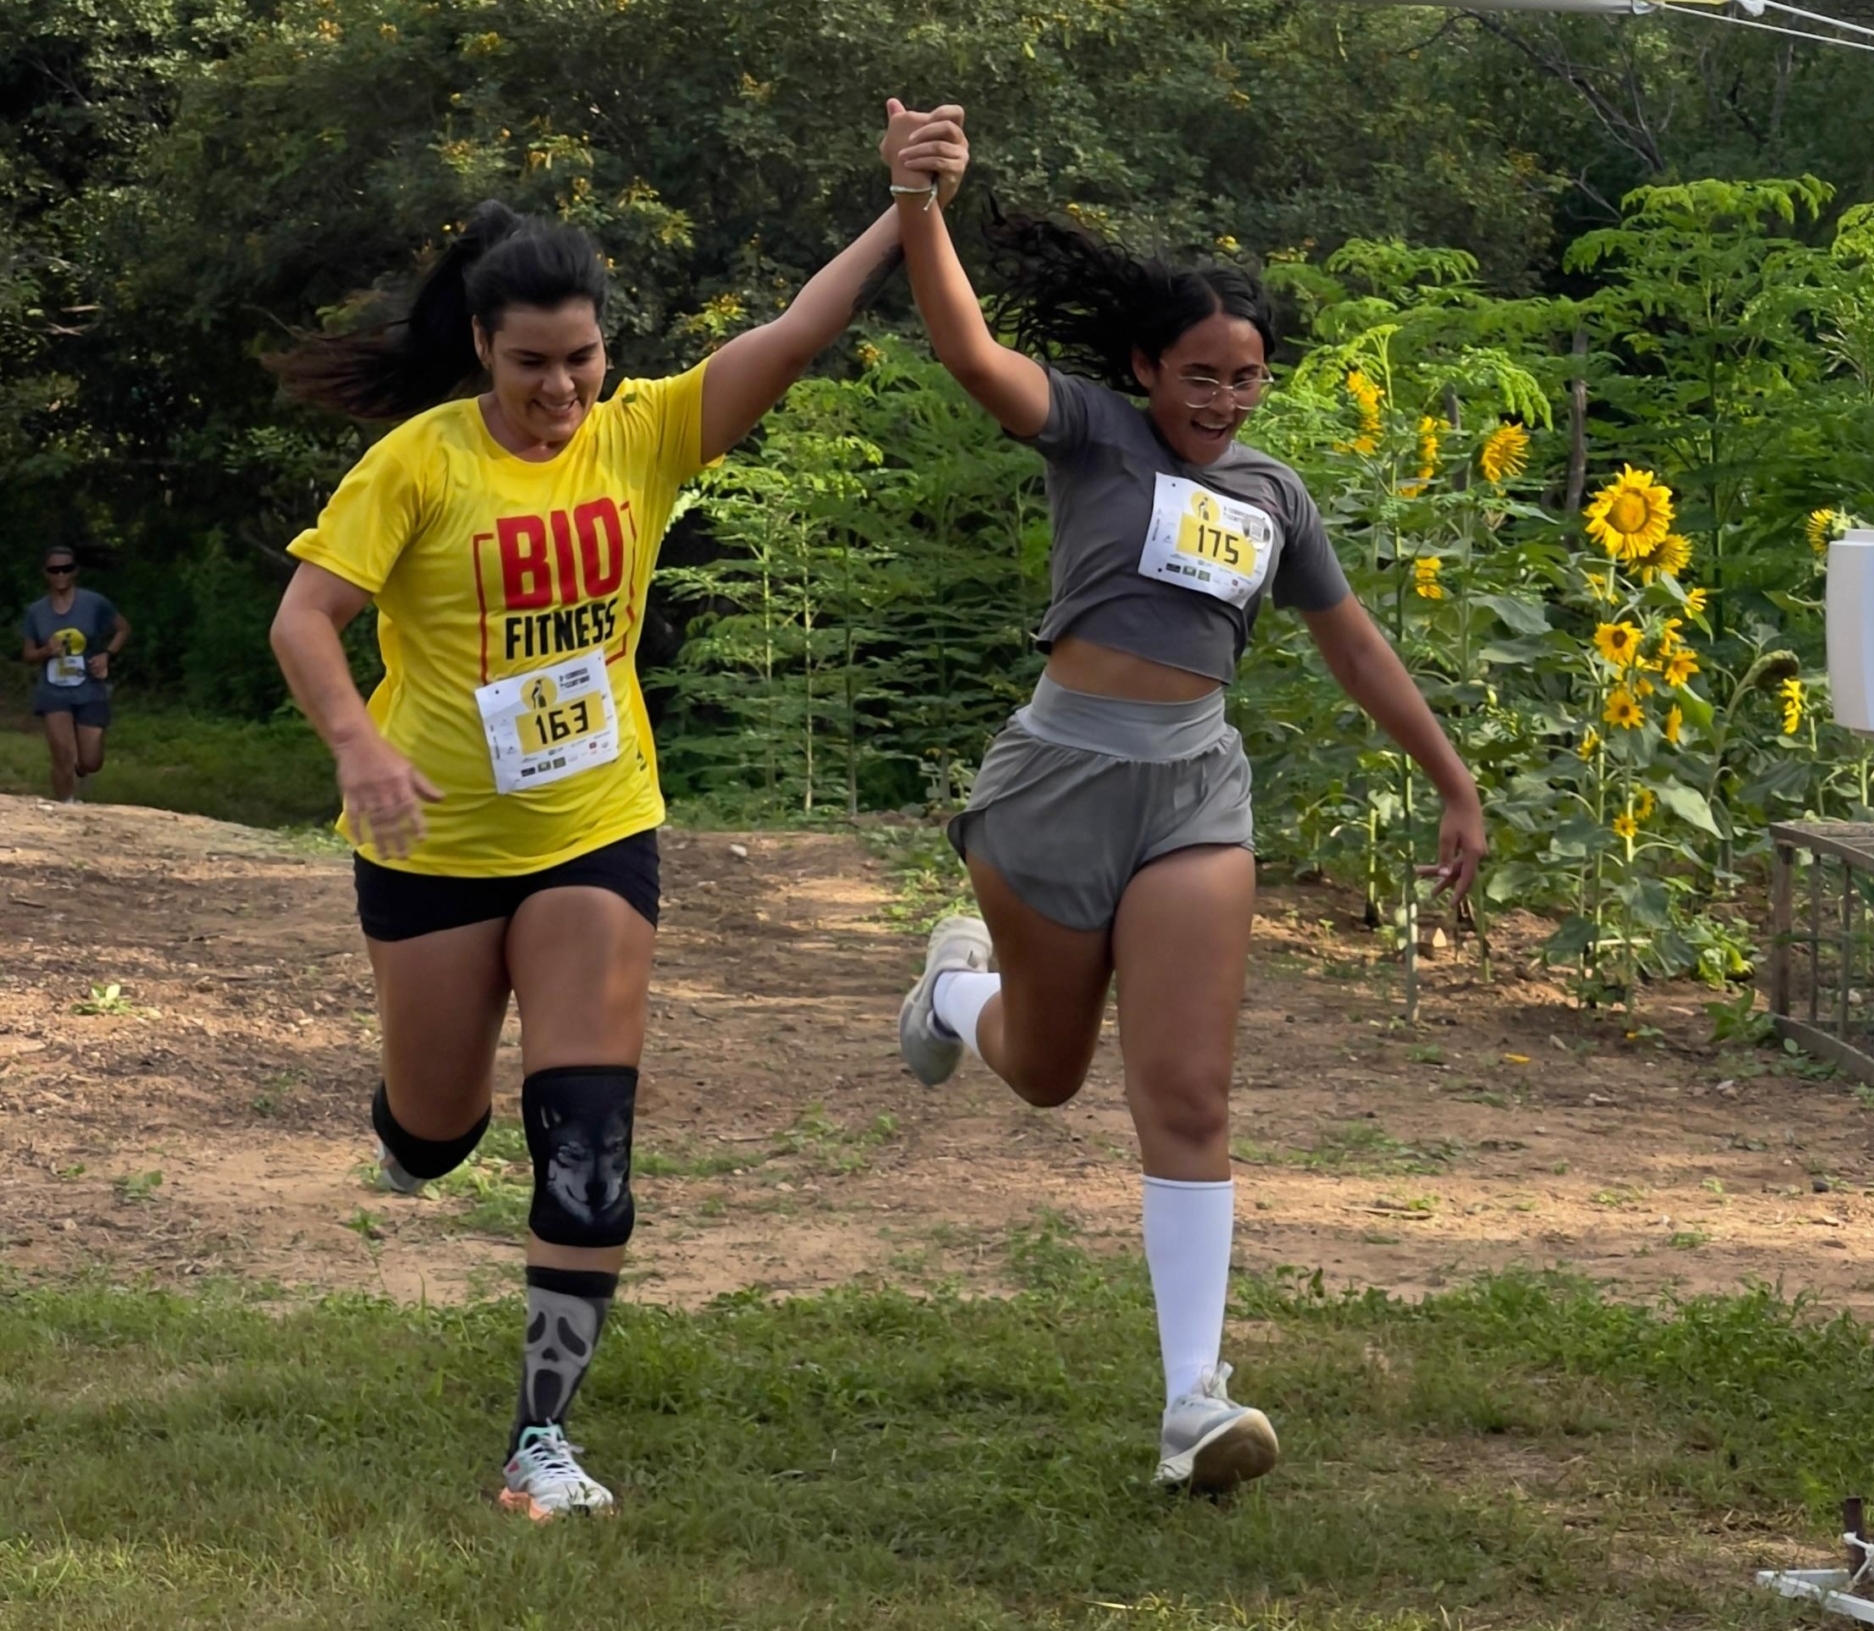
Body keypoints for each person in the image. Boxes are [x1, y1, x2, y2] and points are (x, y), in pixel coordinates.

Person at [267, 105, 968, 1521]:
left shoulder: (643, 435)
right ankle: (412, 1134)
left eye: (582, 356)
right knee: (438, 1125)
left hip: (595, 825)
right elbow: (306, 616)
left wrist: (909, 202)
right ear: (483, 346)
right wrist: (358, 746)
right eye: (532, 362)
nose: (562, 387)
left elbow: (799, 331)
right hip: (434, 842)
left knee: (586, 1139)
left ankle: (539, 1438)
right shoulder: (419, 463)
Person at [882, 103, 1488, 1495]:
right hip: (1056, 782)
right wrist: (920, 204)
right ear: (1147, 366)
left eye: (1247, 378)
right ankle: (954, 995)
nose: (1222, 401)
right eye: (1200, 375)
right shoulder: (1092, 431)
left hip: (1195, 795)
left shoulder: (1275, 493)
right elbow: (969, 350)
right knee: (1046, 1071)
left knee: (1192, 1094)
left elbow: (1352, 645)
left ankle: (1192, 1402)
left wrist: (1451, 777)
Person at [19, 547, 130, 804]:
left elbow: (123, 629)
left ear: (75, 571)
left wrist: (107, 655)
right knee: (62, 753)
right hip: (53, 690)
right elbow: (28, 654)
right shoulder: (36, 612)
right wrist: (45, 651)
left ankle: (82, 766)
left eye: (66, 569)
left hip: (89, 688)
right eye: (54, 570)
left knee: (91, 761)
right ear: (46, 573)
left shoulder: (94, 603)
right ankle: (66, 807)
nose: (60, 574)